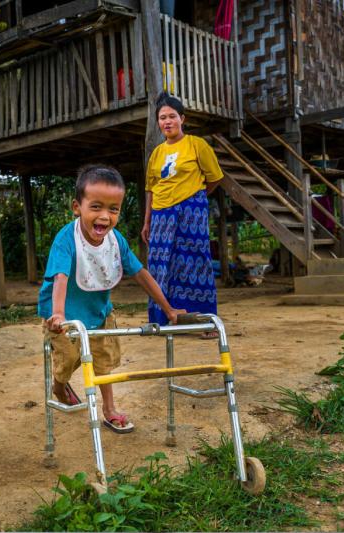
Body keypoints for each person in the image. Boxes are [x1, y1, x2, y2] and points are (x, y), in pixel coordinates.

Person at [38, 164, 184, 433]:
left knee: (103, 360)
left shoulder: (115, 240)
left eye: (113, 209)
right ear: (76, 207)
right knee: (68, 359)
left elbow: (141, 274)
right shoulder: (66, 239)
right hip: (64, 313)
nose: (104, 216)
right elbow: (60, 276)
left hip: (98, 311)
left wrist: (169, 309)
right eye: (95, 207)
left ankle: (109, 409)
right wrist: (58, 314)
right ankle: (59, 385)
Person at [141, 92, 223, 337]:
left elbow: (215, 179)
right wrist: (147, 221)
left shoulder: (197, 145)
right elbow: (150, 189)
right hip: (160, 216)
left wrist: (194, 199)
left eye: (172, 117)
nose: (167, 122)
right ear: (158, 122)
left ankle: (205, 322)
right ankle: (163, 320)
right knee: (160, 265)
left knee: (195, 263)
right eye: (162, 118)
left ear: (182, 119)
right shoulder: (156, 153)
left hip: (191, 214)